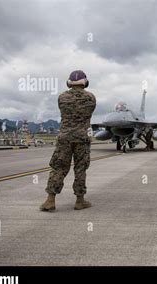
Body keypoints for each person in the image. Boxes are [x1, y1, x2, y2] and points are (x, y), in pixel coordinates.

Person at [40, 70, 97, 212]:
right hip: (82, 138)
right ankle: (80, 200)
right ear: (85, 82)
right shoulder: (91, 98)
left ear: (69, 83)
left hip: (64, 138)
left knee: (58, 167)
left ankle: (50, 200)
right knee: (80, 168)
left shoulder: (62, 97)